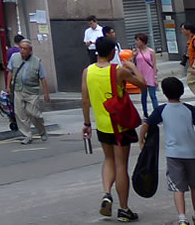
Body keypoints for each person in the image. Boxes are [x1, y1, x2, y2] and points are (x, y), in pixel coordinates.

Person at [83, 36, 146, 222]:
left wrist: (87, 123)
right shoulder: (118, 71)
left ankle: (106, 193)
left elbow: (85, 100)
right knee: (121, 166)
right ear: (112, 52)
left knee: (108, 159)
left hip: (101, 125)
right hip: (119, 126)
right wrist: (133, 67)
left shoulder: (87, 71)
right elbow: (143, 85)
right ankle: (124, 209)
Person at [140, 76, 195, 225]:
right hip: (192, 153)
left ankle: (182, 218)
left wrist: (141, 139)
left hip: (173, 155)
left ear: (164, 93)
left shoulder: (161, 110)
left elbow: (146, 124)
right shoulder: (190, 109)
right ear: (182, 91)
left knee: (178, 188)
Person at [5, 38, 50, 143]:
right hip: (18, 90)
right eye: (20, 48)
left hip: (32, 92)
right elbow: (10, 72)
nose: (22, 51)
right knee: (20, 114)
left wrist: (46, 94)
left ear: (30, 49)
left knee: (34, 113)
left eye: (25, 49)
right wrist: (8, 86)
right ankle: (27, 135)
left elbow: (43, 78)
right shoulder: (14, 57)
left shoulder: (37, 61)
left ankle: (42, 131)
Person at [134, 33, 160, 116]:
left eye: (138, 40)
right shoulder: (136, 52)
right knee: (143, 96)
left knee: (153, 95)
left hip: (150, 75)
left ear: (143, 41)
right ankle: (145, 113)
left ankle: (157, 113)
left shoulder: (151, 51)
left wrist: (155, 77)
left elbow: (154, 64)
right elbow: (131, 64)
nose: (137, 42)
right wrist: (132, 56)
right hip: (141, 76)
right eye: (136, 40)